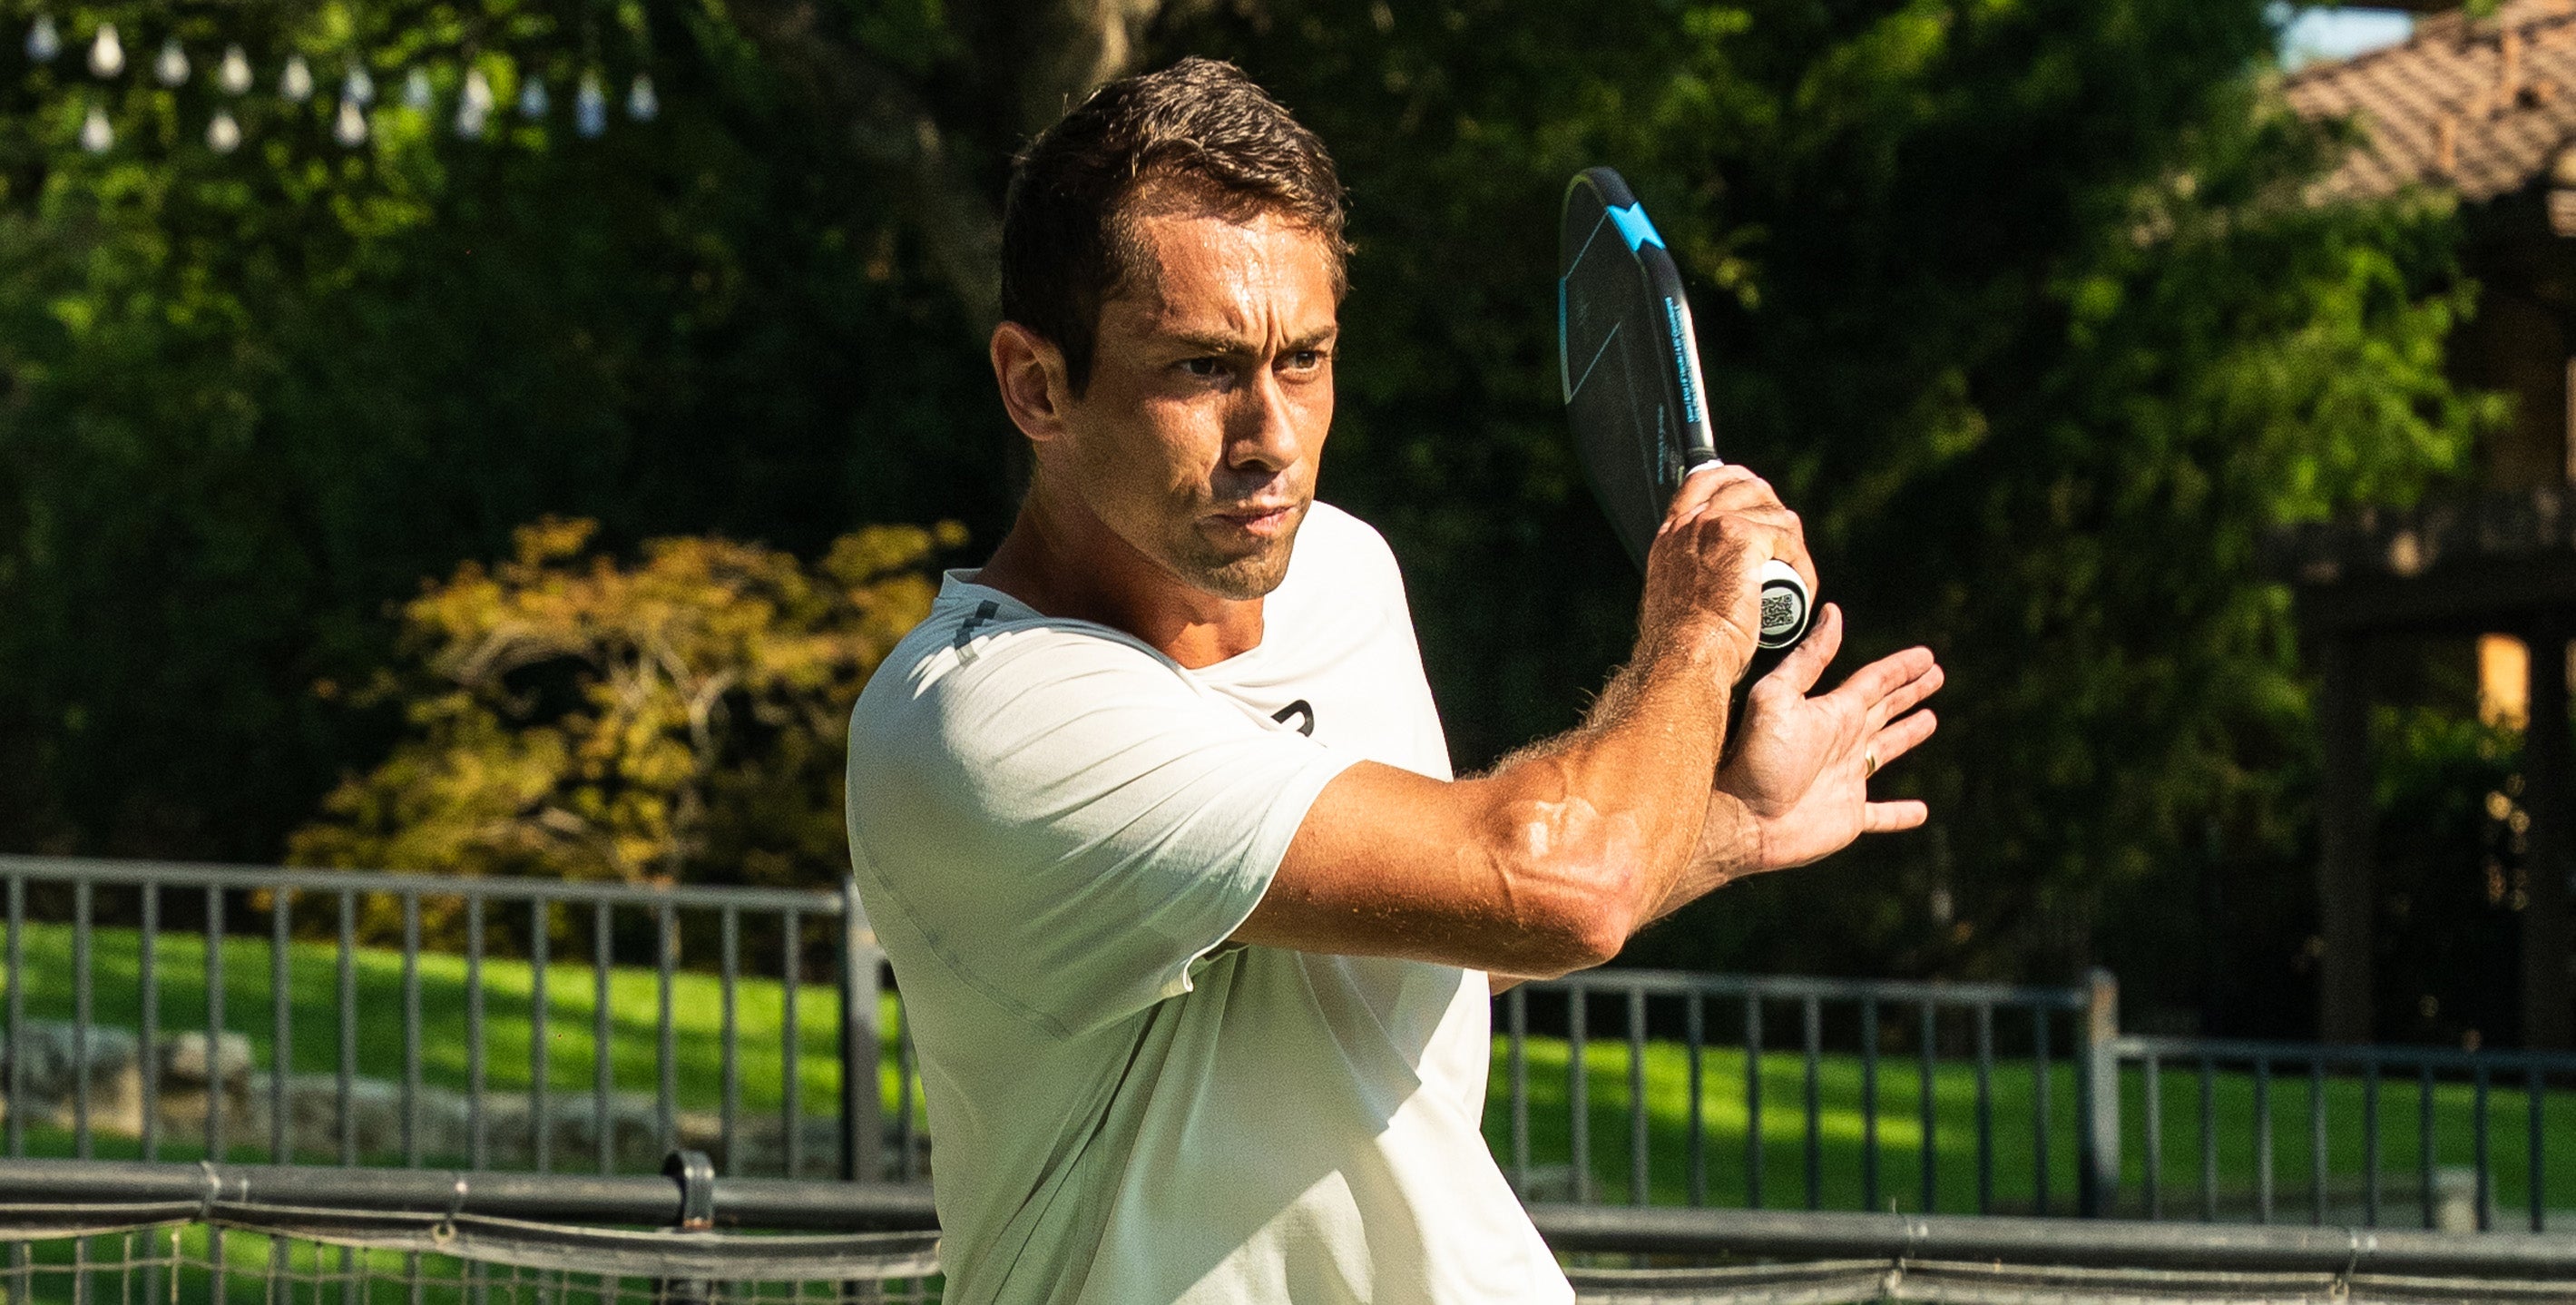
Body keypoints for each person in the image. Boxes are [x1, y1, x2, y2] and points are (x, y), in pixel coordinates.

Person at [844, 56, 1943, 1305]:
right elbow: (1560, 886)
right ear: (1037, 385)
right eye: (1202, 368)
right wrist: (1698, 630)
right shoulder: (987, 719)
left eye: (1304, 359)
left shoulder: (1344, 570)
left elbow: (1418, 944)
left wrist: (1729, 819)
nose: (1272, 436)